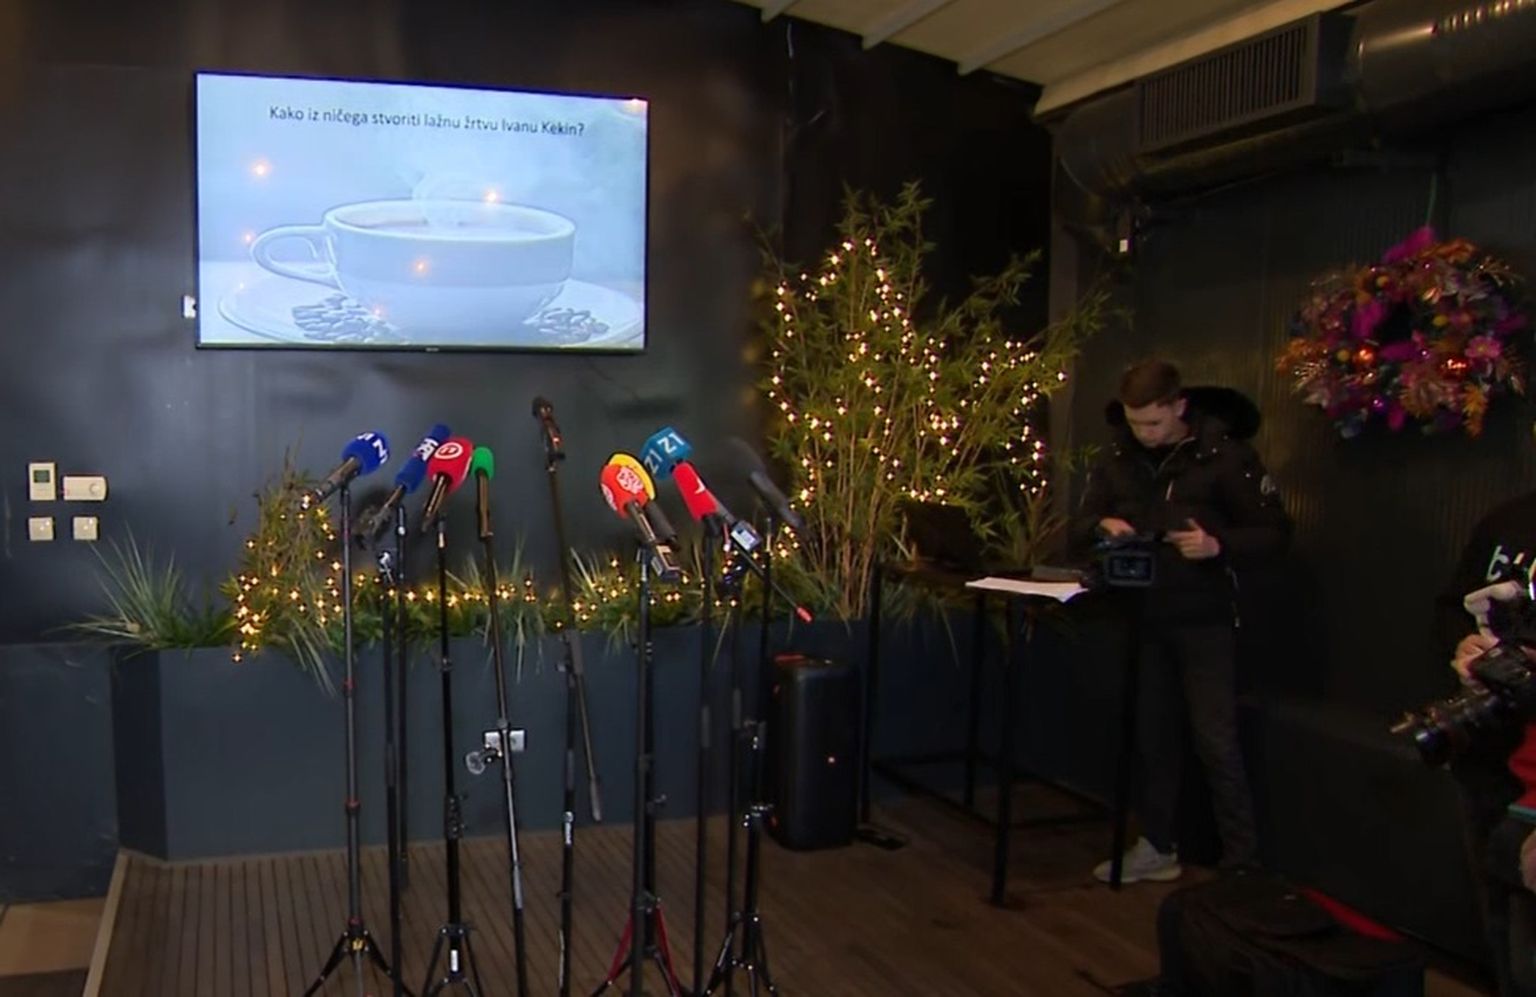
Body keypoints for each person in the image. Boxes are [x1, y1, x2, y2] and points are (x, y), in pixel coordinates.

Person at [1074, 359, 1291, 883]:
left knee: (1216, 741)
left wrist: (1217, 546)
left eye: (1154, 422)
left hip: (1204, 619)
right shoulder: (1118, 456)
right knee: (1153, 738)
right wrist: (1102, 526)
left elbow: (1275, 533)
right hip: (1140, 615)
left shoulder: (1226, 457)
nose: (1144, 434)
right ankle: (1158, 845)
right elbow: (1079, 523)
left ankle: (1242, 864)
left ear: (1179, 406)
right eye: (1135, 423)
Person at [1437, 489, 1536, 996]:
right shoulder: (1507, 519)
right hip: (1487, 753)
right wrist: (1465, 646)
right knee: (1502, 927)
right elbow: (1452, 606)